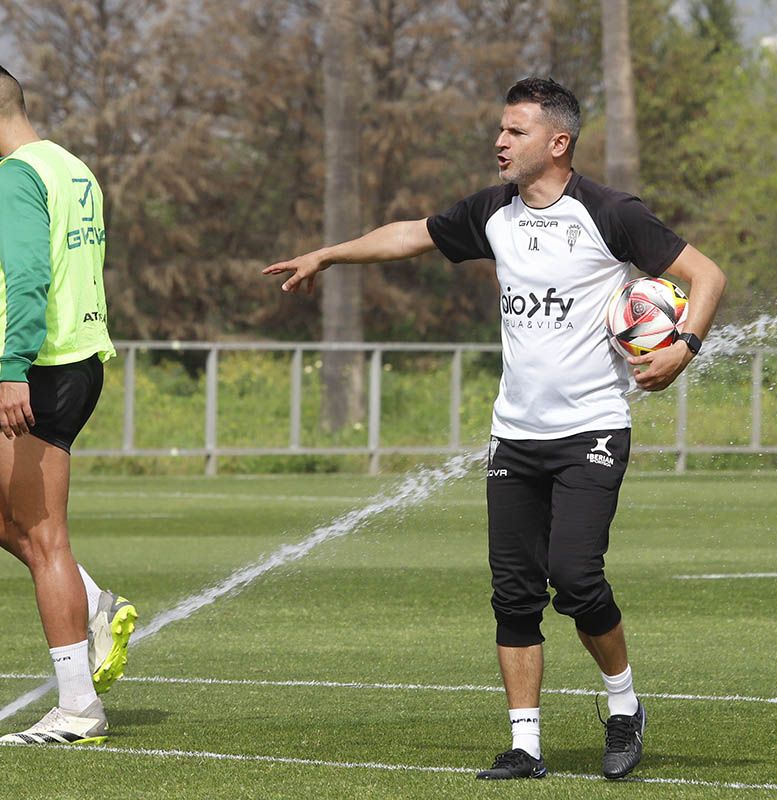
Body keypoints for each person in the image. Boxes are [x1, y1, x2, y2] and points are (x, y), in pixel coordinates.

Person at [264, 77, 726, 781]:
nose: (499, 142)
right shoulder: (493, 212)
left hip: (592, 430)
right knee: (514, 594)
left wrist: (683, 347)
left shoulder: (611, 213)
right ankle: (525, 745)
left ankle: (624, 704)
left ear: (557, 142)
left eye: (515, 131)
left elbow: (706, 275)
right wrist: (329, 254)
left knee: (574, 577)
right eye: (501, 130)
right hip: (513, 435)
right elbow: (409, 235)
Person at [0, 63, 136, 745]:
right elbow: (40, 259)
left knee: (45, 539)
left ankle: (78, 709)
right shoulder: (70, 168)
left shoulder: (12, 176)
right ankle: (95, 602)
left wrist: (11, 370)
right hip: (73, 361)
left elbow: (30, 276)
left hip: (41, 370)